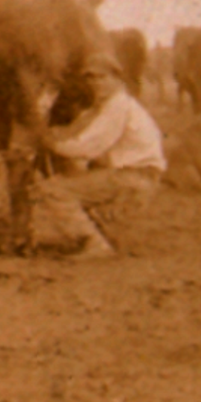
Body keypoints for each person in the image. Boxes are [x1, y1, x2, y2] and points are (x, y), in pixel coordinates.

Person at [36, 53, 167, 260]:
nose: (97, 84)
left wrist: (50, 144)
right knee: (76, 183)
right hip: (137, 176)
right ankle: (106, 235)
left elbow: (88, 146)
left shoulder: (117, 106)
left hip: (133, 178)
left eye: (102, 77)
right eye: (91, 78)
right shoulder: (111, 105)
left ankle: (95, 244)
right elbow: (78, 132)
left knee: (54, 190)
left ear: (117, 78)